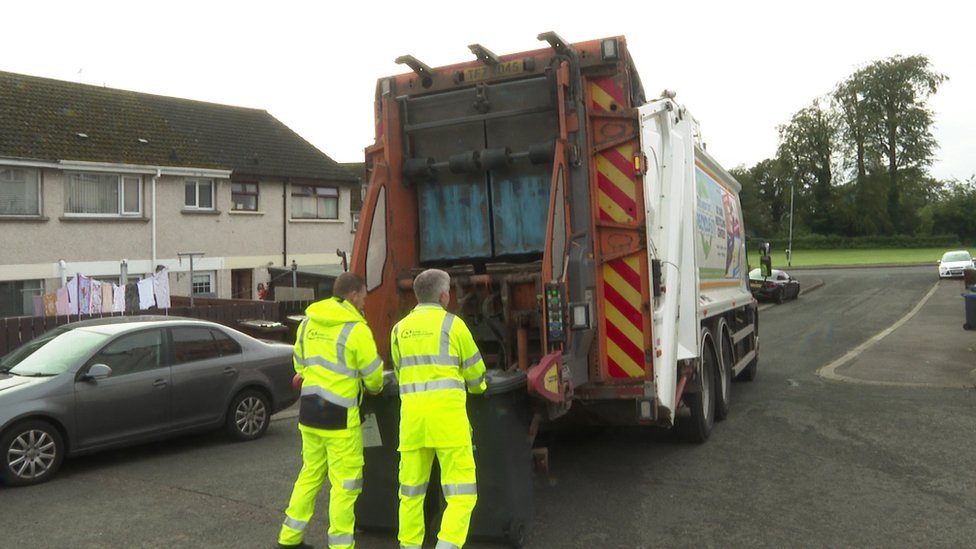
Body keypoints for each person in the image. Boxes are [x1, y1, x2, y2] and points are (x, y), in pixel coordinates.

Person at [277, 272, 384, 549]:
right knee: (345, 486)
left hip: (310, 411)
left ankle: (289, 539)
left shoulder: (308, 323)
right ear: (353, 295)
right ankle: (340, 545)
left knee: (310, 474)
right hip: (341, 419)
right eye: (363, 297)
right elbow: (374, 378)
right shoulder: (356, 329)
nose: (364, 303)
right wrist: (369, 386)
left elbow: (299, 364)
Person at [391, 268, 487, 549]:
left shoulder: (399, 330)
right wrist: (479, 388)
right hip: (448, 424)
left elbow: (400, 373)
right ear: (444, 295)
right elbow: (476, 374)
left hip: (412, 424)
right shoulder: (453, 325)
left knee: (410, 493)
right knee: (460, 493)